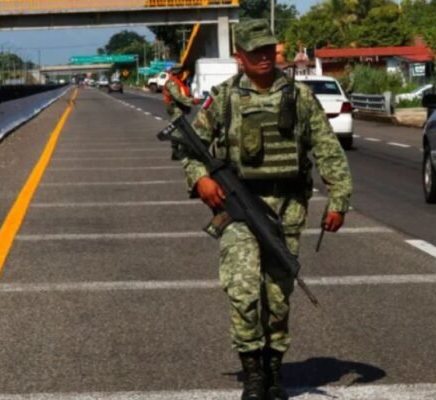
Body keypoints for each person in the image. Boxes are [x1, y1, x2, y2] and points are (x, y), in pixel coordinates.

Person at [180, 19, 352, 400]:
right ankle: (253, 372)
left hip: (287, 206)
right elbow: (189, 146)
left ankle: (274, 370)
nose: (262, 57)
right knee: (243, 290)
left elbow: (326, 148)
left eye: (267, 50)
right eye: (253, 51)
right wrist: (200, 179)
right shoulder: (223, 98)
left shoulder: (299, 96)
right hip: (237, 206)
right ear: (239, 56)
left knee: (277, 295)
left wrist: (338, 199)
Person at [164, 64, 199, 160]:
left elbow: (184, 94)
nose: (184, 74)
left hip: (179, 108)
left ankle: (178, 151)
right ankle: (175, 152)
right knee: (176, 129)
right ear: (178, 72)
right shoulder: (172, 83)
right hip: (175, 108)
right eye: (182, 72)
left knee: (180, 129)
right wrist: (191, 101)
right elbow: (177, 97)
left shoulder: (178, 82)